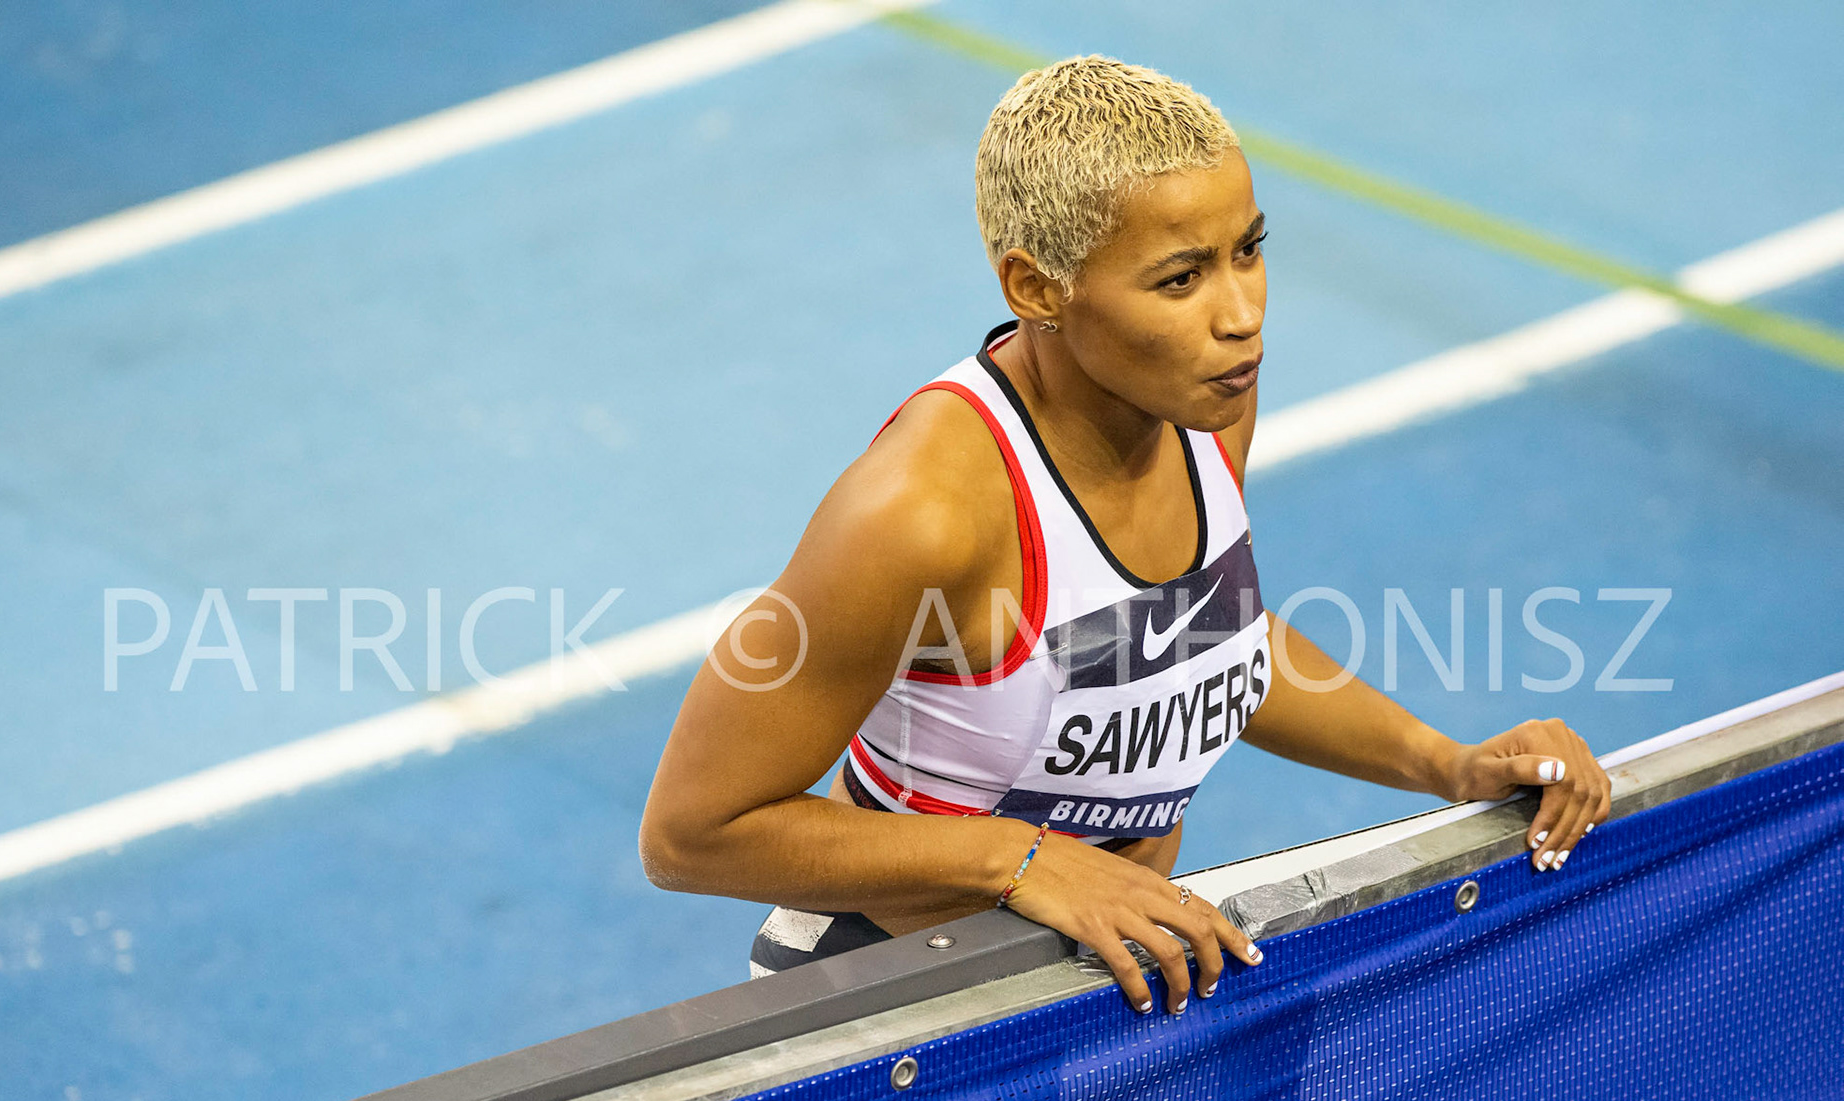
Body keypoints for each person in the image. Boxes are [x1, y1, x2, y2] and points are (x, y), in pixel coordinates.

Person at [638, 56, 1610, 1016]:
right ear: (1038, 286)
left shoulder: (1203, 398)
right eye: (1180, 278)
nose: (1242, 315)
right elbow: (693, 833)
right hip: (890, 1014)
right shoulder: (918, 515)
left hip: (1112, 982)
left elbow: (1204, 632)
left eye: (1249, 248)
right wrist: (1021, 859)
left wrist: (1444, 763)